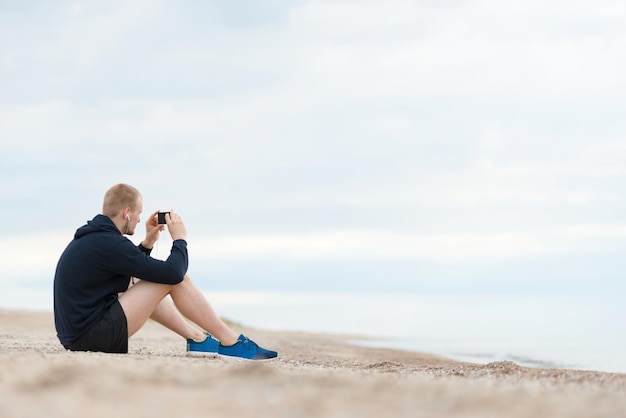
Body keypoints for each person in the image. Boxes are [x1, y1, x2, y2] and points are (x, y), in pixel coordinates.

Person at [53, 183, 277, 360]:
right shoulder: (109, 243)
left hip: (78, 336)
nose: (140, 219)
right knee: (173, 278)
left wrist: (149, 241)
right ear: (127, 212)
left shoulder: (97, 239)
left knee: (149, 279)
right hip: (91, 337)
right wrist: (179, 239)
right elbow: (173, 274)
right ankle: (231, 341)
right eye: (139, 213)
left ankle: (197, 338)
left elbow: (133, 271)